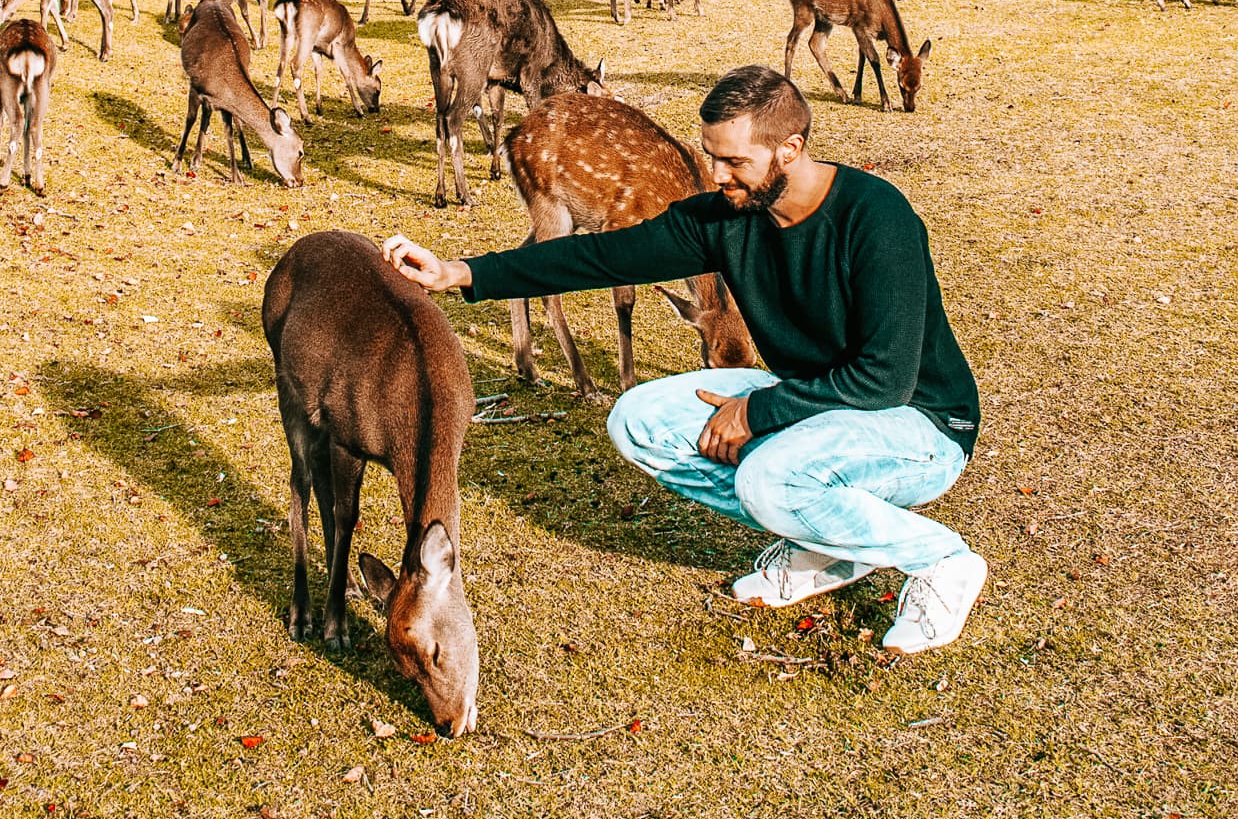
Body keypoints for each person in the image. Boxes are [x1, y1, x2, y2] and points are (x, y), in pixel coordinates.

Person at [383, 63, 986, 654]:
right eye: (711, 155)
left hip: (921, 424)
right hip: (819, 404)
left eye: (734, 161)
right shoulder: (727, 217)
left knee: (767, 476)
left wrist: (758, 411)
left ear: (789, 149)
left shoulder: (876, 218)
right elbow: (604, 256)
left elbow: (886, 376)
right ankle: (824, 544)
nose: (717, 175)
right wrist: (463, 272)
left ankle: (940, 560)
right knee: (637, 421)